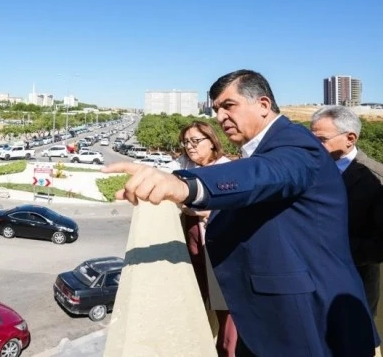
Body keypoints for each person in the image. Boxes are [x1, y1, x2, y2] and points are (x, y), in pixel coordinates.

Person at [103, 69, 378, 356]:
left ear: (263, 105)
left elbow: (263, 174)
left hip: (312, 324)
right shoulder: (263, 150)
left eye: (228, 105)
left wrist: (186, 185)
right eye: (216, 110)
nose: (220, 117)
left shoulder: (297, 145)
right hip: (272, 321)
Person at [311, 105, 383, 317]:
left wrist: (334, 251)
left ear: (350, 138)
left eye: (322, 139)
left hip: (354, 285)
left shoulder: (375, 178)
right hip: (310, 282)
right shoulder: (308, 170)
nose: (314, 146)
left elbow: (380, 245)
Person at [176, 121, 237, 356]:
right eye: (186, 142)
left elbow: (236, 210)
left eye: (195, 141)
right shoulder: (186, 166)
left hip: (220, 248)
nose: (190, 146)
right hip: (194, 244)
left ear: (212, 142)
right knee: (198, 298)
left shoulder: (227, 169)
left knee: (225, 308)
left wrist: (201, 211)